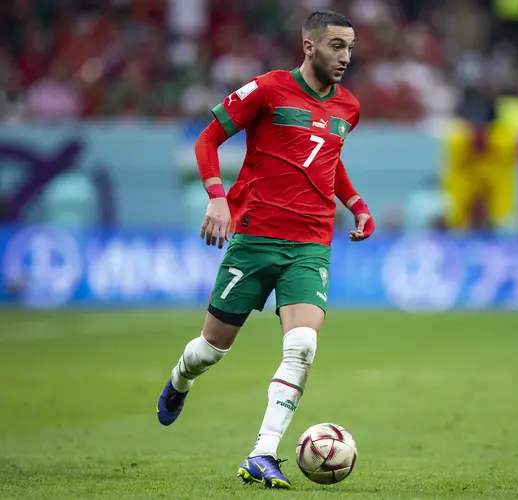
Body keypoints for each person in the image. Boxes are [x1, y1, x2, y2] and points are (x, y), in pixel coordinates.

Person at [156, 10, 374, 490]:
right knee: (209, 351)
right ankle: (179, 380)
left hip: (311, 244)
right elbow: (209, 137)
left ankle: (262, 453)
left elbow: (325, 161)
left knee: (302, 346)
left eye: (350, 47)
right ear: (310, 46)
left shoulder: (349, 108)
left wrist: (356, 204)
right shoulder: (268, 89)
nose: (345, 56)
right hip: (255, 239)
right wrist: (216, 195)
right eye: (337, 46)